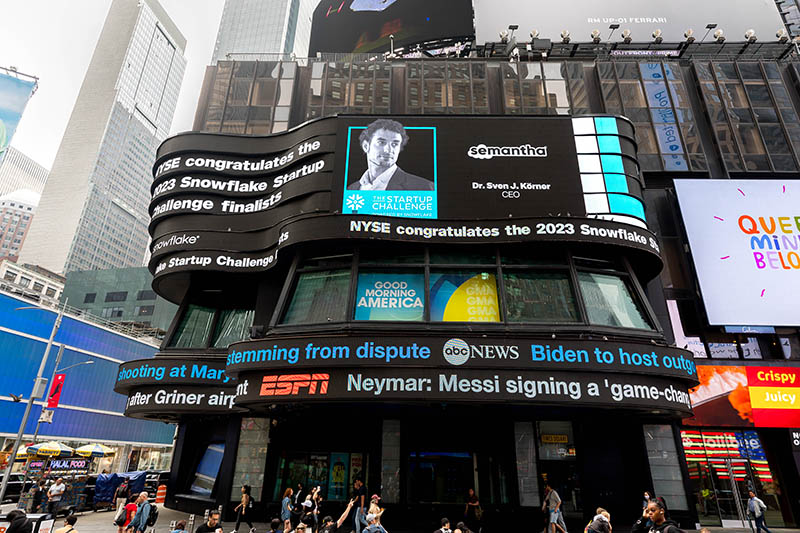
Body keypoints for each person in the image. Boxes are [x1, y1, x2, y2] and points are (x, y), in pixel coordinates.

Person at [347, 119, 433, 191]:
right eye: (381, 142)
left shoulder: (424, 187)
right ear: (366, 146)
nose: (388, 150)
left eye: (395, 144)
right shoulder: (352, 189)